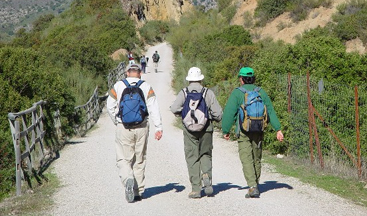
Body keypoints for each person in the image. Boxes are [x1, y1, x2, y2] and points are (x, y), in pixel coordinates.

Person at [222, 66, 284, 199]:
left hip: (244, 131)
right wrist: (278, 129)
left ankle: (252, 186)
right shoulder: (261, 92)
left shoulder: (237, 93)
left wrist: (226, 130)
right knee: (257, 157)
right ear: (253, 78)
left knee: (246, 158)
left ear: (241, 79)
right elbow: (271, 111)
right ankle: (255, 183)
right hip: (259, 129)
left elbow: (229, 113)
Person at [107, 63, 163, 203]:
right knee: (140, 158)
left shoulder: (118, 85)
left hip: (123, 127)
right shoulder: (146, 86)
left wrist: (117, 120)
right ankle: (138, 191)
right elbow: (153, 106)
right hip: (142, 127)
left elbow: (110, 105)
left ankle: (128, 179)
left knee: (123, 158)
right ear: (139, 73)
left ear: (127, 73)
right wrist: (158, 127)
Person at [170, 67, 222, 199]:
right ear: (201, 79)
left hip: (189, 130)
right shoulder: (207, 93)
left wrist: (183, 114)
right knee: (206, 154)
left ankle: (196, 188)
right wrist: (210, 117)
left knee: (192, 157)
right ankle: (207, 177)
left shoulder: (184, 93)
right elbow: (219, 114)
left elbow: (174, 108)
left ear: (189, 80)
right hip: (206, 128)